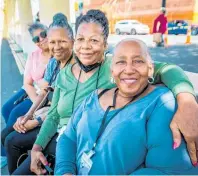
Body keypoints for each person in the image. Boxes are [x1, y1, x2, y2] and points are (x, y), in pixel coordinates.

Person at [20, 10, 196, 175]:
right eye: (81, 39)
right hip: (66, 142)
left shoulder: (117, 65)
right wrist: (38, 148)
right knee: (15, 146)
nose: (86, 47)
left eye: (94, 40)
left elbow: (167, 69)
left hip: (72, 146)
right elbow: (55, 118)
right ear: (75, 42)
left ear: (105, 44)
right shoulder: (70, 76)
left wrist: (187, 101)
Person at [55, 38, 198, 175]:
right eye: (121, 62)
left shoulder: (161, 104)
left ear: (150, 69)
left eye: (138, 61)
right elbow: (68, 137)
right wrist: (65, 171)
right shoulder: (93, 97)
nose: (129, 69)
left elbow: (167, 171)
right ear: (112, 70)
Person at [1, 13, 74, 175]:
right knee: (10, 131)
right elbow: (45, 92)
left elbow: (60, 107)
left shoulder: (76, 69)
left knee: (12, 140)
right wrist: (28, 115)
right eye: (53, 40)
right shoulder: (54, 62)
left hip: (62, 128)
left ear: (72, 40)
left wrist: (36, 120)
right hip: (50, 116)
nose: (56, 45)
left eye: (62, 41)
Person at [0, 22, 51, 168]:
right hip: (31, 91)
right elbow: (28, 82)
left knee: (15, 113)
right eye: (36, 39)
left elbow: (48, 89)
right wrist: (35, 100)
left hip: (42, 96)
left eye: (43, 35)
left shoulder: (56, 53)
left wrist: (36, 106)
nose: (41, 40)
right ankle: (8, 148)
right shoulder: (34, 55)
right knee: (5, 108)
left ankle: (9, 147)